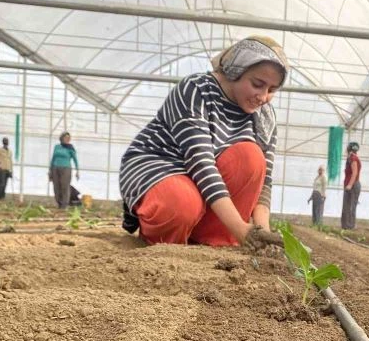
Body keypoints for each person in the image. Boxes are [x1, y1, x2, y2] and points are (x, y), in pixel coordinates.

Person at [118, 35, 288, 248]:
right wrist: (242, 229)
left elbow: (264, 182)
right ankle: (161, 240)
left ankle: (208, 242)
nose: (262, 97)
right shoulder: (196, 89)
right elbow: (201, 163)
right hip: (162, 165)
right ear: (237, 71)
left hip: (203, 182)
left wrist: (263, 234)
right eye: (257, 84)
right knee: (181, 203)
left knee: (251, 158)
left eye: (272, 90)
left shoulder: (265, 117)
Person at [49, 131, 80, 209]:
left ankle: (64, 204)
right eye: (66, 138)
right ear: (62, 138)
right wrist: (50, 169)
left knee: (64, 186)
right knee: (56, 186)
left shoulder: (70, 148)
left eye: (69, 138)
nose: (67, 139)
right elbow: (53, 158)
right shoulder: (57, 146)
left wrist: (77, 170)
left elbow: (75, 159)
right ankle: (59, 202)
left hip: (66, 168)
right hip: (55, 168)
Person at [340, 142, 361, 230]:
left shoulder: (353, 158)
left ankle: (349, 226)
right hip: (350, 185)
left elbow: (354, 173)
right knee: (347, 206)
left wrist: (349, 185)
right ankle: (345, 226)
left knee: (351, 206)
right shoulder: (351, 158)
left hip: (353, 185)